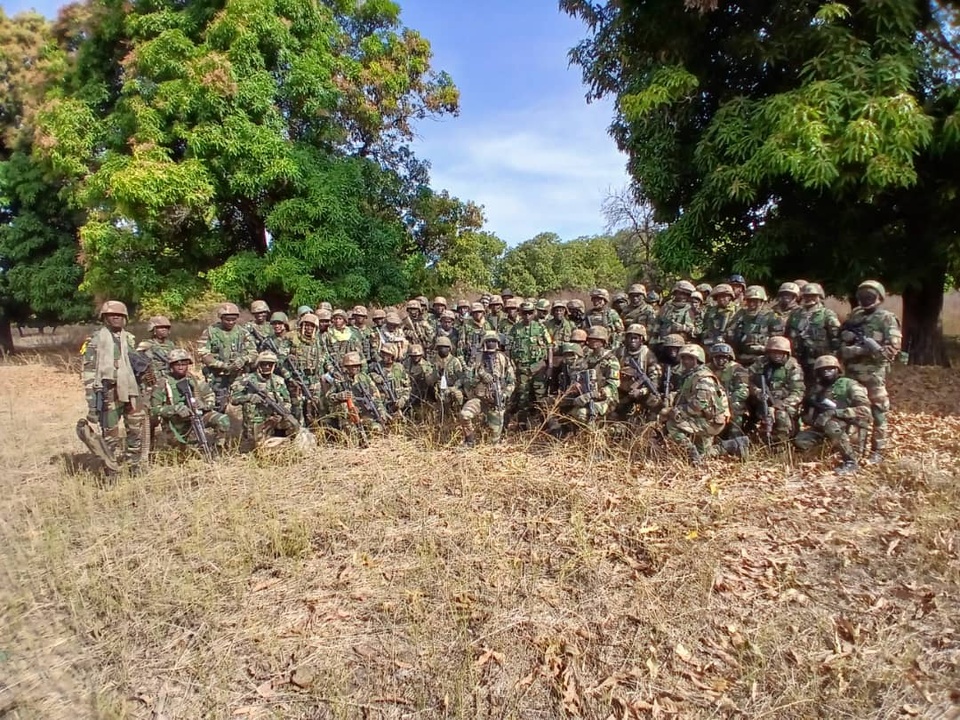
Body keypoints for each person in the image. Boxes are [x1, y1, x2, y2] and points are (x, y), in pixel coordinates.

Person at [838, 280, 902, 463]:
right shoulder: (855, 316)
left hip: (874, 374)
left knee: (879, 412)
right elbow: (840, 340)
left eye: (870, 296)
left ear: (879, 297)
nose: (865, 299)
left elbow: (891, 350)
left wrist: (860, 350)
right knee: (854, 411)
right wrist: (846, 343)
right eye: (862, 296)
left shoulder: (887, 319)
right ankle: (855, 449)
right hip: (852, 373)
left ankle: (878, 451)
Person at [79, 300, 146, 473]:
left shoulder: (129, 339)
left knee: (136, 428)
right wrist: (91, 402)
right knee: (111, 434)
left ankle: (134, 465)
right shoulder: (94, 341)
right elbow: (89, 373)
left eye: (120, 315)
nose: (116, 318)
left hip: (131, 390)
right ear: (104, 318)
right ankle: (112, 468)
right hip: (108, 393)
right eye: (112, 315)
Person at [795, 355, 872, 475]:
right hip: (825, 428)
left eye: (831, 369)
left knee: (831, 425)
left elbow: (865, 411)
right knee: (801, 440)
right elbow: (808, 417)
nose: (827, 372)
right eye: (823, 370)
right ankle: (831, 452)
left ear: (838, 370)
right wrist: (811, 416)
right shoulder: (816, 390)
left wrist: (836, 412)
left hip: (851, 426)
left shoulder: (850, 385)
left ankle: (851, 461)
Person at [659, 345, 733, 465]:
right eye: (684, 358)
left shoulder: (704, 378)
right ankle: (734, 444)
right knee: (704, 454)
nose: (686, 361)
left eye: (690, 358)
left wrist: (675, 411)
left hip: (711, 422)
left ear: (698, 360)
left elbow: (699, 404)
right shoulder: (692, 375)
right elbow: (684, 394)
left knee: (672, 424)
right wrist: (670, 397)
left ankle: (691, 453)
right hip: (704, 418)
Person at [151, 349, 230, 454]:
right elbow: (154, 410)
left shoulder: (194, 379)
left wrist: (204, 405)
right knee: (179, 452)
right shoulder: (163, 383)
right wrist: (174, 409)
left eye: (184, 364)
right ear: (171, 366)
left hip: (197, 416)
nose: (181, 367)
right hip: (175, 423)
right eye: (177, 365)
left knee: (223, 420)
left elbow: (210, 396)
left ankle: (217, 451)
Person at [230, 351, 300, 448]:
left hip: (274, 419)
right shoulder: (247, 379)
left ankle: (285, 444)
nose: (267, 367)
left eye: (270, 364)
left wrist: (282, 413)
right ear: (258, 365)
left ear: (274, 366)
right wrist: (249, 397)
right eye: (264, 364)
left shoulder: (278, 381)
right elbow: (233, 399)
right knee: (257, 447)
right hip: (256, 421)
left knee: (293, 424)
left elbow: (287, 401)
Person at [460, 331, 516, 446]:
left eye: (494, 341)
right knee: (464, 415)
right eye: (489, 341)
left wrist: (505, 395)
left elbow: (511, 382)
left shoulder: (503, 359)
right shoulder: (476, 358)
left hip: (495, 403)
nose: (491, 343)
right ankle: (469, 441)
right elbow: (467, 380)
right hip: (478, 400)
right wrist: (480, 378)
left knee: (493, 442)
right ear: (484, 342)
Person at [198, 303, 257, 411]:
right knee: (219, 404)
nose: (231, 322)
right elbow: (203, 353)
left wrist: (243, 359)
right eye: (227, 320)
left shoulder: (243, 332)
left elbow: (253, 352)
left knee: (246, 400)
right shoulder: (210, 332)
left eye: (233, 319)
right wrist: (222, 365)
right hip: (217, 375)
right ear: (221, 318)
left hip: (238, 374)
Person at [746, 336, 804, 443]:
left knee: (781, 416)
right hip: (762, 400)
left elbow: (798, 392)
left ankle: (781, 442)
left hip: (784, 403)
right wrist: (757, 391)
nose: (777, 356)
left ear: (786, 354)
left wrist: (778, 406)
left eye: (780, 353)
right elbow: (746, 379)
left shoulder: (793, 367)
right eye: (774, 353)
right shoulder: (761, 362)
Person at [507, 301, 553, 427]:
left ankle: (547, 424)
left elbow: (549, 346)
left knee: (541, 397)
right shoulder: (515, 329)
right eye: (524, 313)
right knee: (523, 397)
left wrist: (550, 366)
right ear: (520, 313)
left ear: (534, 313)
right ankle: (522, 425)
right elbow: (508, 348)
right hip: (522, 368)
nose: (527, 316)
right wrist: (510, 366)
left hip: (538, 367)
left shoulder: (540, 327)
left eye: (530, 313)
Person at [325, 351, 387, 441]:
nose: (355, 368)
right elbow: (328, 397)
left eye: (357, 365)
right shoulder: (340, 380)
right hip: (349, 416)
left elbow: (376, 397)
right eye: (352, 366)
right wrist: (338, 396)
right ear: (346, 366)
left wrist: (381, 412)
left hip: (365, 413)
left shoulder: (364, 377)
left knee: (376, 430)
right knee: (353, 438)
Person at [787, 282, 841, 386]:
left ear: (820, 297)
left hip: (818, 360)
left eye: (813, 296)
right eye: (806, 296)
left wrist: (832, 358)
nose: (809, 298)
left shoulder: (827, 314)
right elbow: (787, 334)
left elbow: (836, 337)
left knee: (817, 387)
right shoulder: (795, 314)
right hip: (797, 359)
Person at [726, 286, 782, 367]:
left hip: (763, 358)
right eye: (749, 301)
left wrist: (763, 346)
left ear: (762, 302)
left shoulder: (771, 316)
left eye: (755, 301)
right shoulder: (740, 314)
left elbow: (777, 339)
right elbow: (730, 332)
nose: (751, 304)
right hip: (741, 356)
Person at [614, 323, 661, 421]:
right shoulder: (619, 352)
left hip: (642, 392)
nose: (632, 340)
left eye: (635, 338)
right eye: (629, 337)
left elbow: (654, 381)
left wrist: (641, 391)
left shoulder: (649, 355)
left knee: (655, 400)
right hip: (622, 391)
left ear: (642, 339)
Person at [708, 343, 749, 439]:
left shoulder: (737, 369)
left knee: (736, 407)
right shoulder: (707, 369)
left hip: (731, 401)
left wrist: (727, 401)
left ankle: (735, 437)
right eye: (717, 358)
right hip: (711, 401)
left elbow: (743, 390)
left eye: (724, 358)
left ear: (729, 358)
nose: (720, 361)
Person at [369, 345, 411, 421]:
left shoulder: (399, 367)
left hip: (397, 401)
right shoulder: (376, 368)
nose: (385, 356)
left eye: (388, 354)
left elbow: (407, 386)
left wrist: (403, 399)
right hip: (382, 403)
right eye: (383, 354)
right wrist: (375, 377)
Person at [651, 281, 697, 345]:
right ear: (675, 292)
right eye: (681, 293)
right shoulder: (666, 306)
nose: (683, 296)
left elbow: (695, 331)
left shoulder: (690, 309)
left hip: (680, 343)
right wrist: (653, 340)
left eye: (687, 294)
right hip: (663, 342)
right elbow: (658, 322)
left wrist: (682, 328)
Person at [698, 283, 737, 351]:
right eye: (719, 297)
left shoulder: (737, 311)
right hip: (712, 342)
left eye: (724, 296)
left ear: (730, 297)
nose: (721, 299)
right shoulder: (711, 311)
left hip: (730, 344)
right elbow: (704, 327)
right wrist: (707, 333)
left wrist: (727, 335)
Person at [136, 315, 175, 381]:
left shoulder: (171, 345)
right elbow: (138, 364)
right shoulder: (145, 345)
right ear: (153, 329)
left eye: (166, 327)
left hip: (170, 377)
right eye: (160, 327)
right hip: (153, 379)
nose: (164, 329)